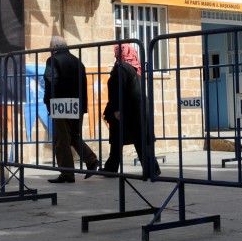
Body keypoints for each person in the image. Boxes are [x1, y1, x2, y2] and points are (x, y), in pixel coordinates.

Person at [43, 36, 100, 183]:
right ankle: (91, 160)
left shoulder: (53, 60)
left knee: (62, 140)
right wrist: (83, 106)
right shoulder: (77, 61)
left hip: (60, 104)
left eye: (50, 48)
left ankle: (67, 173)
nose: (49, 50)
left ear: (55, 47)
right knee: (74, 136)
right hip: (77, 104)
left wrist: (47, 100)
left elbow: (51, 82)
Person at [102, 44, 160, 178]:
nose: (115, 54)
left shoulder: (121, 67)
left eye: (117, 52)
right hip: (136, 109)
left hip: (128, 110)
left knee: (133, 139)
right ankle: (112, 167)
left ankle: (151, 169)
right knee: (123, 138)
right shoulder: (135, 68)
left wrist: (116, 109)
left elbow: (118, 89)